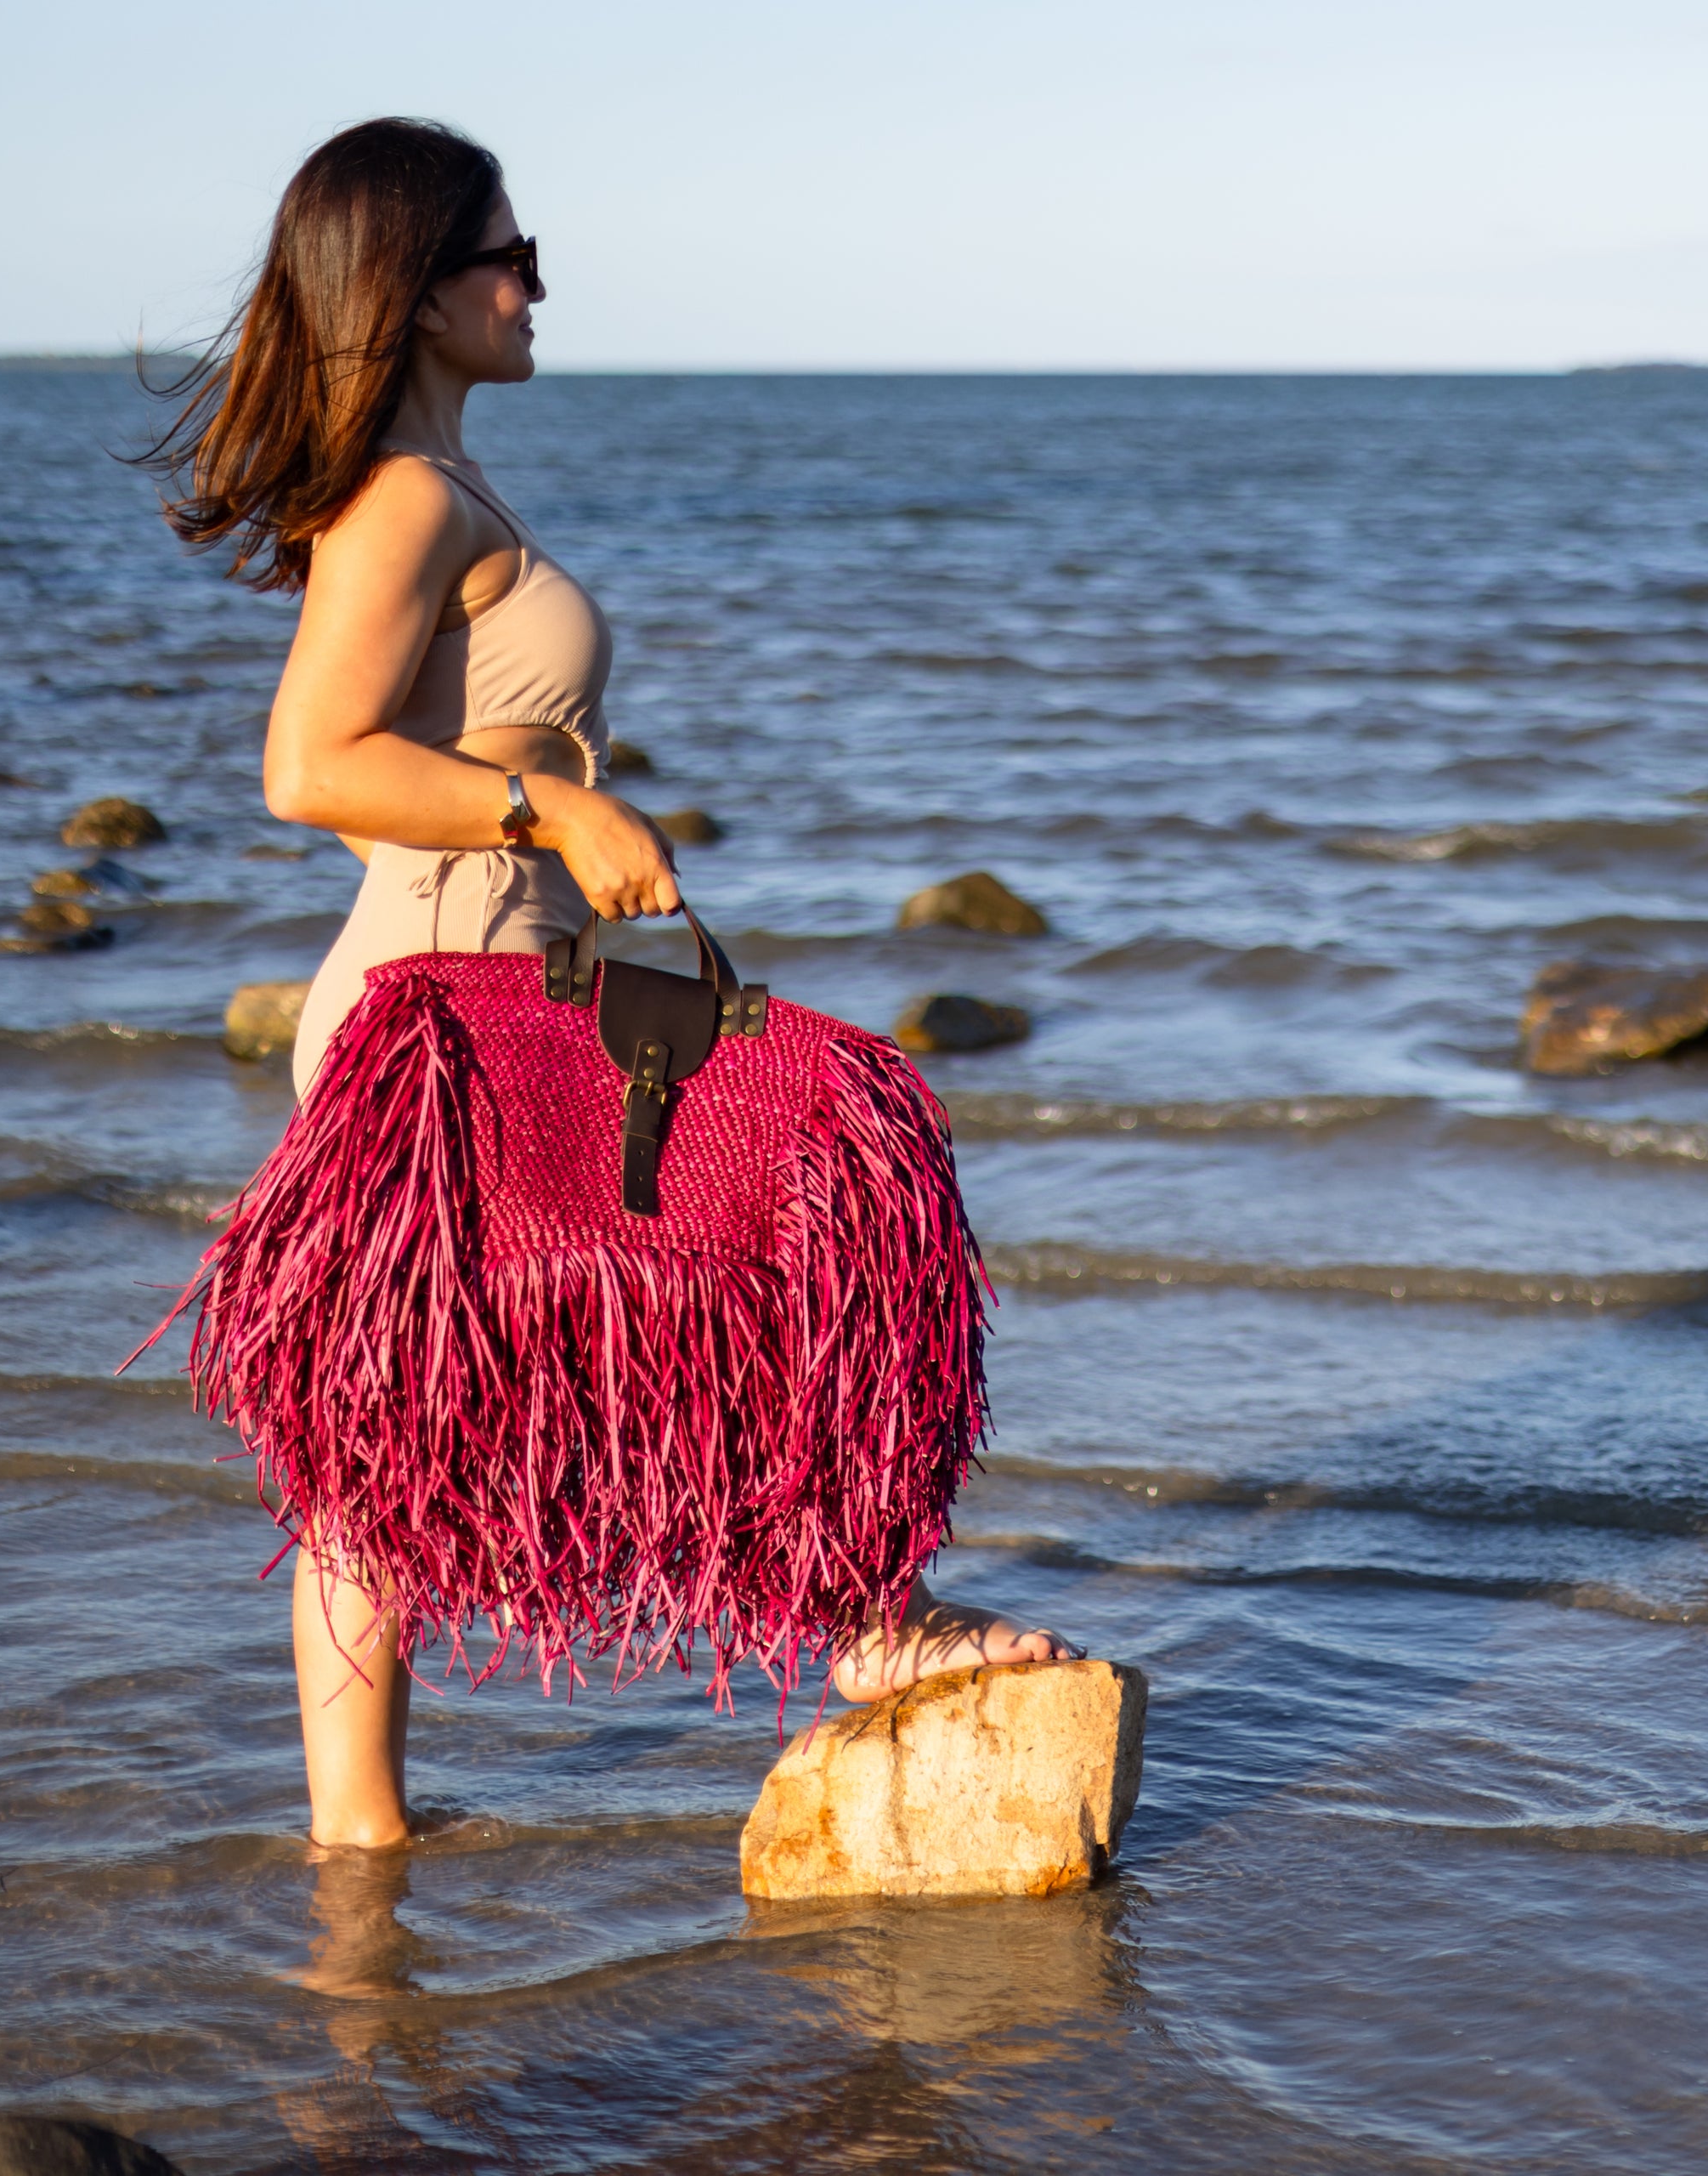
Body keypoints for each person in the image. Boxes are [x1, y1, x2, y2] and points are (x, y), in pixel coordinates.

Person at [145, 118, 1070, 1851]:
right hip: (430, 1018)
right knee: (709, 1280)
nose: (535, 280)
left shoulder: (450, 489)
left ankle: (367, 1839)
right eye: (508, 252)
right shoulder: (408, 501)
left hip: (489, 1001)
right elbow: (308, 764)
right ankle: (849, 1612)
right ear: (415, 293)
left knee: (404, 1429)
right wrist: (555, 801)